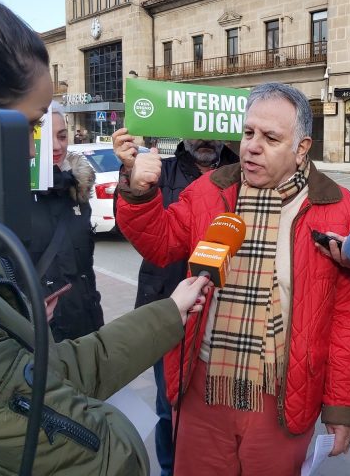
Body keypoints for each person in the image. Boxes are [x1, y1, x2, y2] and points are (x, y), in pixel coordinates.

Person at [0, 0, 209, 475]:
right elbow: (111, 456)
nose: (33, 149)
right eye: (29, 126)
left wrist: (168, 313)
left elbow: (50, 372)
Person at [115, 82, 350, 476]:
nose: (252, 146)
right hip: (202, 387)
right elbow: (161, 244)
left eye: (270, 138)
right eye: (248, 132)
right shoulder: (210, 190)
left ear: (302, 148)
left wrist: (341, 405)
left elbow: (349, 320)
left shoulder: (339, 209)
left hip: (283, 395)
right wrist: (139, 193)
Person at [110, 132, 239, 476]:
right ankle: (170, 469)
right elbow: (134, 222)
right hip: (166, 304)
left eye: (214, 135)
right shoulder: (161, 169)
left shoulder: (242, 172)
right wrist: (132, 180)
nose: (207, 141)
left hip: (221, 313)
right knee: (170, 404)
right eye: (199, 135)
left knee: (219, 405)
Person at [28, 101, 104, 341]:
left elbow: (84, 267)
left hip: (85, 324)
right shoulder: (11, 193)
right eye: (45, 136)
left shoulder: (77, 190)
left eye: (62, 136)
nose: (56, 145)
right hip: (42, 332)